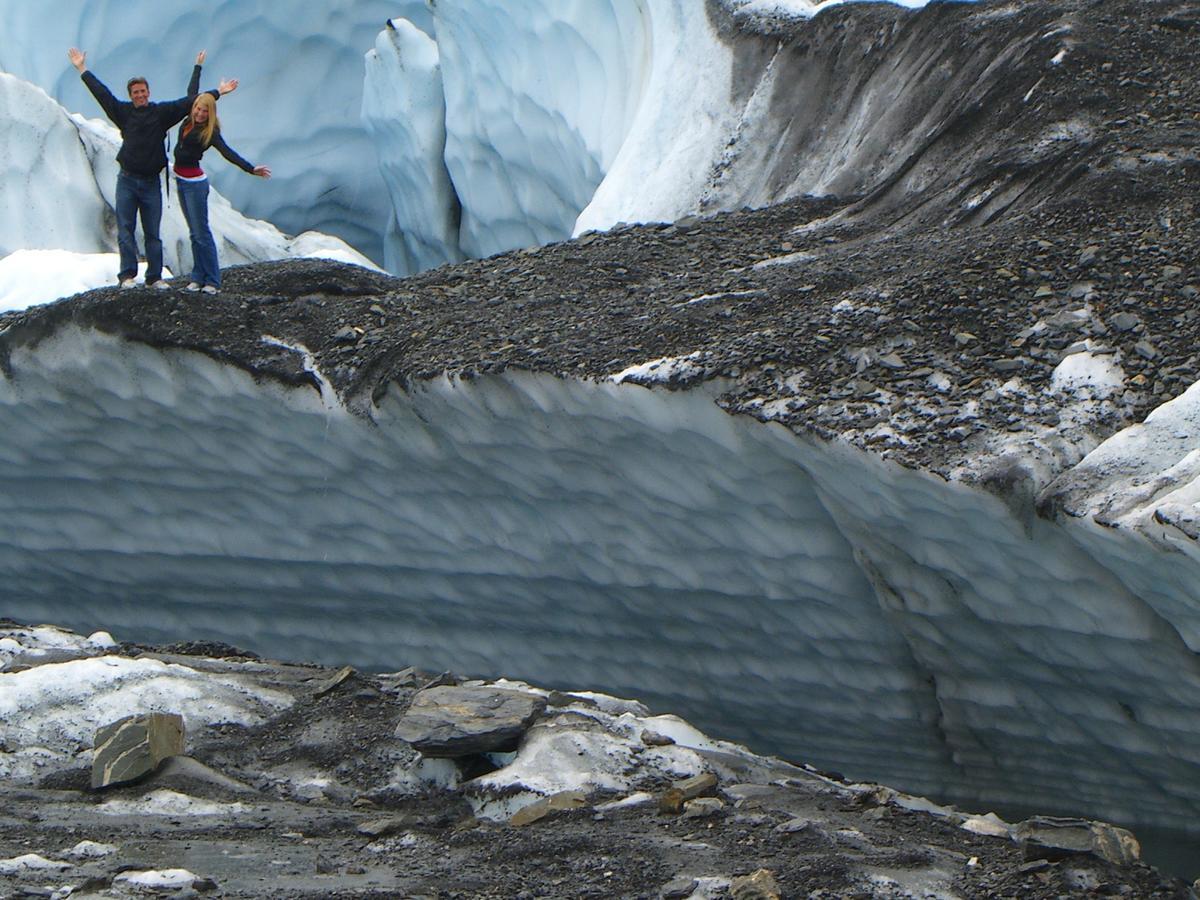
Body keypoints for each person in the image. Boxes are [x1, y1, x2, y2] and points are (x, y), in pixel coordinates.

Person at [67, 47, 237, 290]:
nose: (140, 95)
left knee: (153, 233)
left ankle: (154, 277)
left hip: (150, 183)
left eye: (143, 91)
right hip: (126, 180)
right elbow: (102, 94)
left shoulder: (161, 113)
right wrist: (82, 68)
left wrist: (218, 92)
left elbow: (190, 102)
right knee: (125, 229)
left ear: (148, 92)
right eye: (136, 92)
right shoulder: (122, 113)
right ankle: (127, 276)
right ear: (131, 95)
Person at [173, 92, 271, 294]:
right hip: (181, 181)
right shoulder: (186, 122)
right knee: (194, 233)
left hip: (194, 184)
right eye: (198, 109)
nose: (200, 113)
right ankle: (198, 277)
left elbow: (228, 152)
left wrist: (250, 169)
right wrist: (198, 67)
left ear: (210, 114)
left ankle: (212, 281)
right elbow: (192, 92)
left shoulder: (210, 133)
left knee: (202, 233)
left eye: (204, 111)